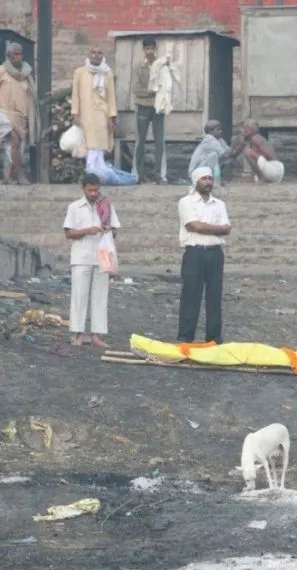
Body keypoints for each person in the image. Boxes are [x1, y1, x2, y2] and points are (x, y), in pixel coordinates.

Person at [63, 172, 121, 348]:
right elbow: (68, 233)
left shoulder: (106, 205)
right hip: (81, 256)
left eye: (96, 190)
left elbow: (116, 231)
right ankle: (78, 334)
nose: (94, 193)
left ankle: (96, 335)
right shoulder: (74, 207)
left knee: (100, 297)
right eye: (90, 190)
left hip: (103, 255)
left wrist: (107, 229)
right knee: (79, 296)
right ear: (84, 189)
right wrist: (87, 230)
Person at [177, 166, 231, 344]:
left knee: (215, 296)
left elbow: (227, 229)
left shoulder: (220, 204)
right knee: (191, 295)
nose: (208, 182)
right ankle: (185, 336)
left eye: (210, 178)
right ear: (196, 181)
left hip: (215, 253)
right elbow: (194, 226)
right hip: (195, 252)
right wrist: (218, 229)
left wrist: (210, 228)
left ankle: (214, 337)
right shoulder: (186, 202)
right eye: (204, 179)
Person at [71, 47, 117, 176]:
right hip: (86, 113)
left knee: (100, 143)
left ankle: (99, 173)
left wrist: (112, 116)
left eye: (99, 53)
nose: (96, 55)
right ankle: (91, 173)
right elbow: (76, 95)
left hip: (102, 113)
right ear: (89, 54)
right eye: (93, 52)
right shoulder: (80, 72)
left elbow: (111, 96)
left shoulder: (107, 72)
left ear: (102, 55)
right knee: (90, 144)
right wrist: (75, 113)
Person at [0, 42, 39, 184]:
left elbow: (31, 96)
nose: (18, 57)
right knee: (14, 143)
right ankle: (19, 175)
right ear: (8, 56)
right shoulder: (2, 71)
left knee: (16, 147)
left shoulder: (26, 74)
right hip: (5, 113)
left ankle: (7, 176)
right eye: (15, 54)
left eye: (20, 53)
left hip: (22, 116)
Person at [133, 36, 165, 184]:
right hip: (143, 107)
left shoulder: (162, 66)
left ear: (155, 49)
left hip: (158, 107)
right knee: (140, 140)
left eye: (152, 48)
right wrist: (153, 91)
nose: (150, 51)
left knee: (159, 141)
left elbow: (165, 88)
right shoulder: (139, 67)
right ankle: (138, 174)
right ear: (143, 50)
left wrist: (156, 92)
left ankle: (159, 174)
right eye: (147, 49)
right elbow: (137, 90)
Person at [238, 119, 284, 184]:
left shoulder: (255, 138)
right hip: (275, 172)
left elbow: (270, 156)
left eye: (244, 127)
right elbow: (234, 154)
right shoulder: (252, 139)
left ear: (250, 129)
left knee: (248, 152)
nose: (242, 130)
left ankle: (262, 178)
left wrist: (257, 155)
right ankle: (262, 178)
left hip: (275, 169)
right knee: (248, 152)